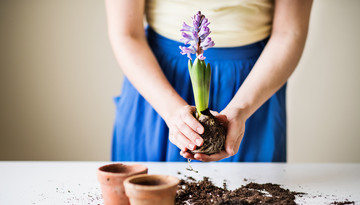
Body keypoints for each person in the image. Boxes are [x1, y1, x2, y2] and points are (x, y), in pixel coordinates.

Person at [105, 0, 313, 162]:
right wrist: (172, 112)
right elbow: (127, 33)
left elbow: (290, 32)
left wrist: (242, 108)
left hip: (254, 85)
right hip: (157, 84)